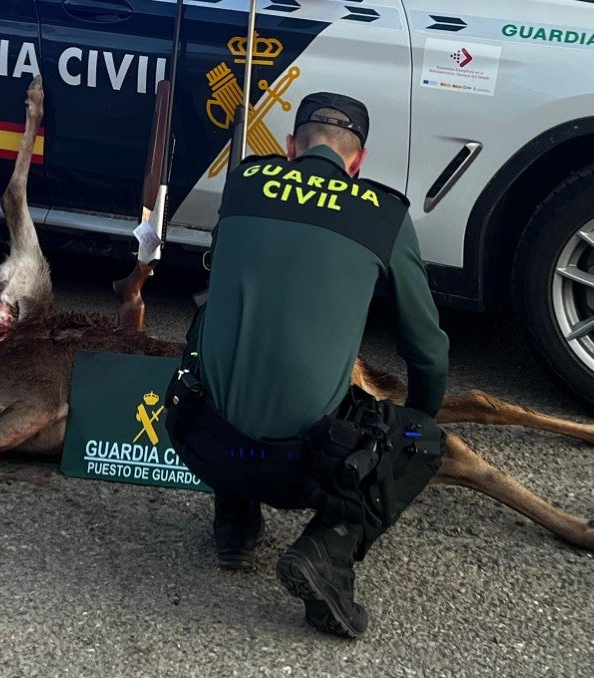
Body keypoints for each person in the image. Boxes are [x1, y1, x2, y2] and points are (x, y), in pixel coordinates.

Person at [165, 92, 450, 639]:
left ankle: (234, 520)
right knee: (424, 437)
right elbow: (428, 352)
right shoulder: (384, 214)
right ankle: (328, 550)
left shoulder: (244, 186)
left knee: (223, 346)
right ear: (358, 161)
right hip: (304, 466)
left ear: (292, 147)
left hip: (202, 440)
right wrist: (411, 433)